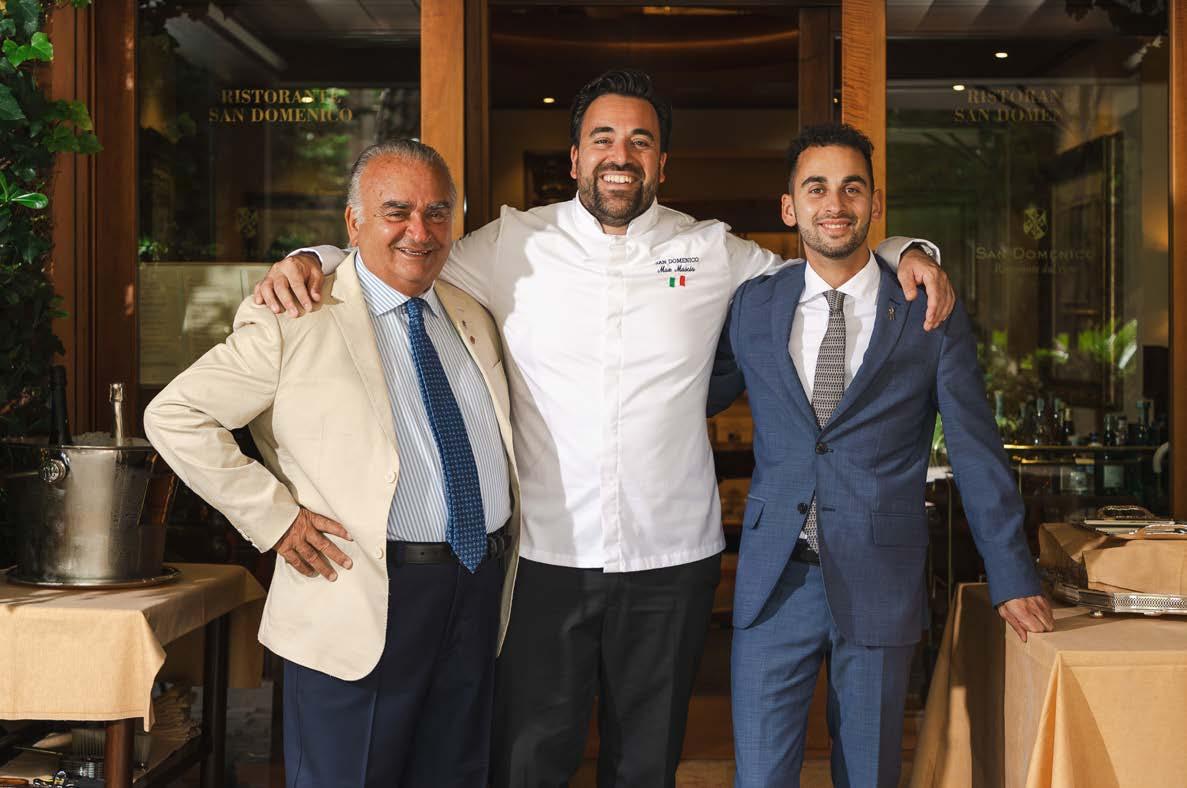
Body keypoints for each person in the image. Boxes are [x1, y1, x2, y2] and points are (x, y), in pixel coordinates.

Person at [253, 70, 955, 786]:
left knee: (646, 765)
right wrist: (318, 258)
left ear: (661, 163)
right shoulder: (510, 243)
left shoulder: (713, 252)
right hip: (543, 560)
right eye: (603, 139)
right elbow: (404, 252)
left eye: (640, 141)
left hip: (672, 560)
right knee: (529, 763)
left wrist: (906, 249)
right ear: (575, 157)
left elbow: (829, 261)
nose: (621, 155)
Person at [144, 140, 519, 788]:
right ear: (353, 222)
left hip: (477, 587)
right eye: (395, 212)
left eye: (436, 212)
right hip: (360, 592)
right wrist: (275, 520)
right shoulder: (295, 314)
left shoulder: (471, 313)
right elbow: (176, 415)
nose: (419, 231)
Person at [708, 123, 1055, 788]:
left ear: (874, 203)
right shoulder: (752, 306)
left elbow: (975, 448)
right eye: (816, 188)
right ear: (789, 207)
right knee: (758, 777)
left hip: (879, 579)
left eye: (851, 188)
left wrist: (1011, 574)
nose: (834, 203)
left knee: (868, 775)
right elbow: (691, 390)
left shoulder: (927, 309)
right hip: (773, 583)